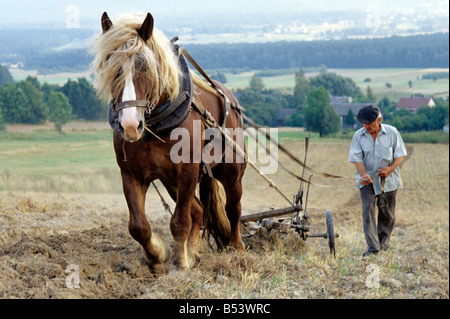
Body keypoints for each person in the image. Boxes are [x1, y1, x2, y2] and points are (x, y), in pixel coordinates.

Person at [348, 104, 407, 257]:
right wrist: (363, 174)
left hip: (388, 181)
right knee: (368, 211)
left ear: (378, 120)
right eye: (364, 124)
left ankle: (383, 245)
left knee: (387, 215)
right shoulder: (358, 136)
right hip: (367, 181)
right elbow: (356, 159)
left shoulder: (392, 132)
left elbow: (400, 155)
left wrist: (389, 169)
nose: (366, 127)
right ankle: (373, 248)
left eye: (369, 124)